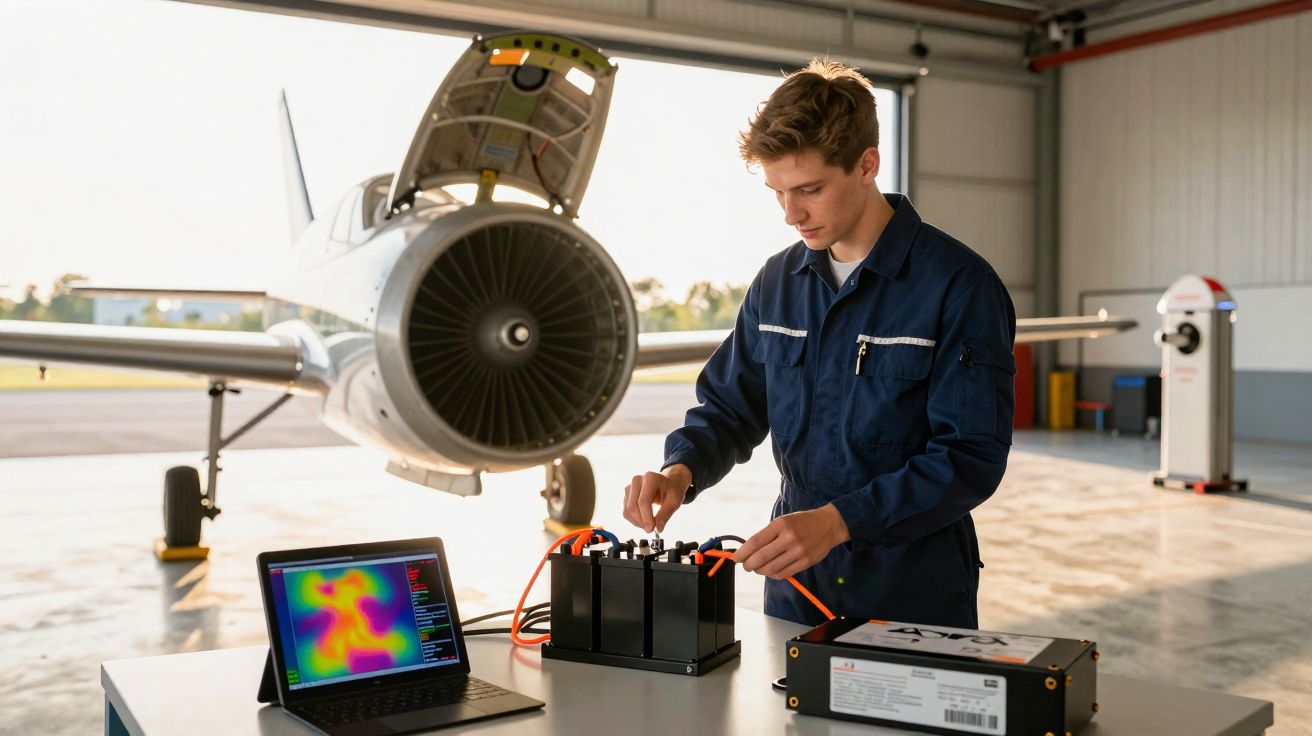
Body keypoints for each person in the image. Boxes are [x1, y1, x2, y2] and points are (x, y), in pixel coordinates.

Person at [621, 58, 1016, 628]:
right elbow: (731, 408)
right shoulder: (777, 284)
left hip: (911, 596)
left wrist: (838, 521)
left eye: (809, 189)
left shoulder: (958, 287)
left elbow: (969, 457)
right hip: (796, 590)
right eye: (778, 192)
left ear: (867, 164)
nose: (791, 214)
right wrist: (682, 469)